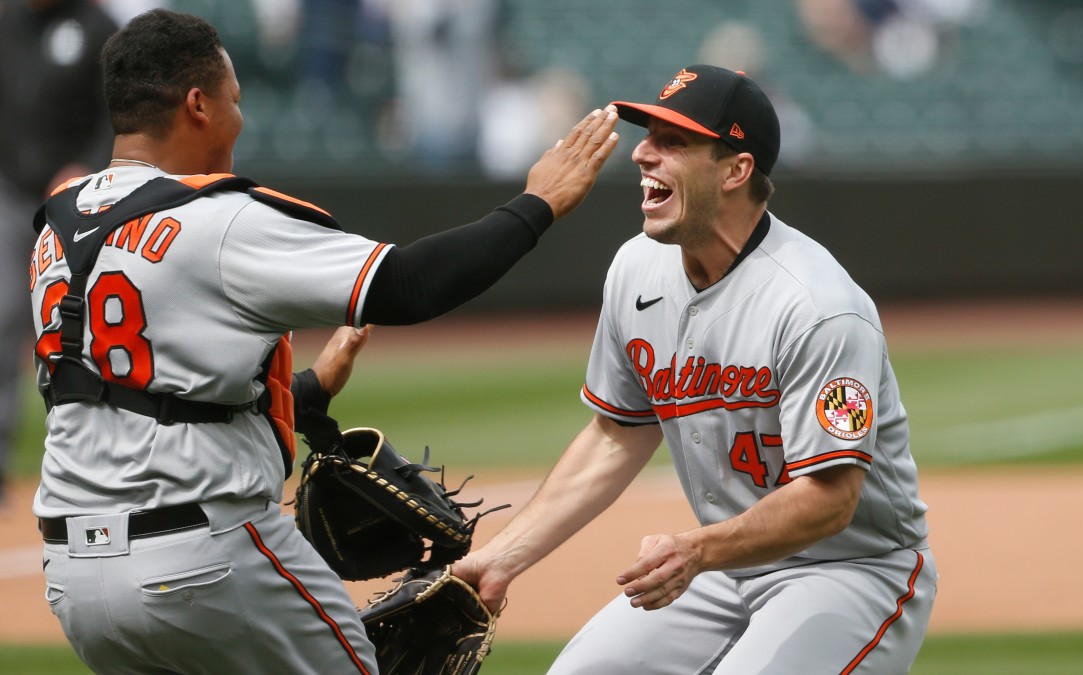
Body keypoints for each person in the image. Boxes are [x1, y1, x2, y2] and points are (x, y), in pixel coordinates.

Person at [30, 8, 618, 674]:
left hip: (76, 577)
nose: (239, 118)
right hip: (203, 561)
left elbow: (127, 393)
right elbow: (409, 285)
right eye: (233, 100)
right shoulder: (215, 218)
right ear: (198, 104)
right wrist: (536, 205)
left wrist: (304, 392)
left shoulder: (59, 223)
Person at [454, 65, 937, 674]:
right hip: (727, 563)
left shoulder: (818, 307)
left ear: (736, 169)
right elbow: (618, 432)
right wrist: (503, 557)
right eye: (647, 134)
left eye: (672, 142)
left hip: (850, 568)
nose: (641, 154)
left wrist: (697, 549)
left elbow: (829, 502)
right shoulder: (636, 269)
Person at [0, 0, 118, 508]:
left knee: (91, 327)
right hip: (9, 196)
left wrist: (83, 166)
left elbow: (120, 114)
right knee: (1, 319)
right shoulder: (5, 23)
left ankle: (105, 465)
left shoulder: (98, 26)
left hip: (80, 203)